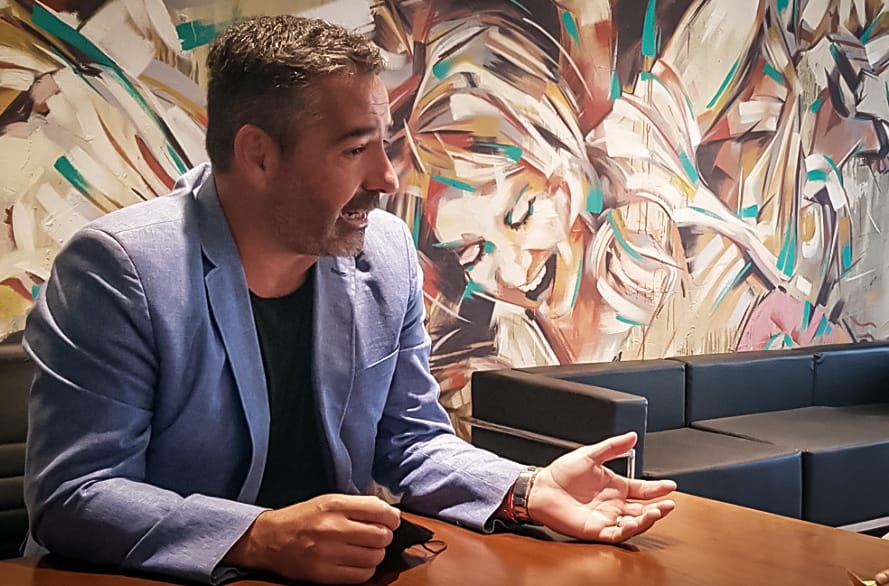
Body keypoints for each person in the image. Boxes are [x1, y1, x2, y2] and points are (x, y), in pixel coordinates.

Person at [22, 14, 676, 585]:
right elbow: (75, 495)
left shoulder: (383, 251)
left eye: (382, 144)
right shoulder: (120, 269)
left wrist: (523, 490)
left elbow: (412, 441)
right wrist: (259, 537)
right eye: (355, 149)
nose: (386, 178)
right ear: (258, 154)